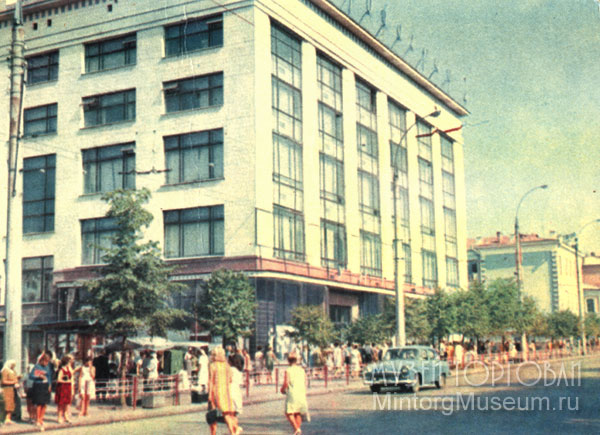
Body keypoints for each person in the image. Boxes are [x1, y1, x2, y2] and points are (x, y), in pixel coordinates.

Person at [207, 347, 239, 435]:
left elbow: (211, 381)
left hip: (216, 392)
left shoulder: (213, 365)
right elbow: (230, 379)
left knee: (213, 414)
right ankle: (234, 430)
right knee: (227, 413)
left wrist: (209, 395)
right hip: (227, 392)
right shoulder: (227, 365)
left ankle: (215, 433)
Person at [280, 351, 309, 435]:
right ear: (296, 361)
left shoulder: (288, 370)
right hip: (301, 392)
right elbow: (305, 382)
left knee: (288, 412)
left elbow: (286, 383)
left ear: (288, 361)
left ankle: (296, 428)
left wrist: (282, 390)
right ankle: (297, 431)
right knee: (297, 412)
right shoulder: (302, 370)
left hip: (292, 393)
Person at [30, 353, 53, 431]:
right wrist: (39, 376)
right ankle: (37, 419)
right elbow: (31, 376)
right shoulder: (36, 366)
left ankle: (41, 419)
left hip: (45, 386)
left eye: (47, 362)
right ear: (42, 360)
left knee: (44, 403)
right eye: (45, 361)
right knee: (39, 403)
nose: (46, 363)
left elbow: (49, 377)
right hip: (38, 386)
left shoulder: (47, 367)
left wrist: (49, 385)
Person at [54, 354, 74, 424]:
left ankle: (66, 416)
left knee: (67, 403)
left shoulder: (69, 369)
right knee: (61, 404)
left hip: (68, 388)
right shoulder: (62, 370)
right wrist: (66, 381)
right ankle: (59, 417)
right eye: (70, 362)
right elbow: (58, 380)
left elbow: (72, 376)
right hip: (62, 388)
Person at [1, 360, 21, 425]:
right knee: (7, 404)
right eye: (12, 365)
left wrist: (17, 378)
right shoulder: (5, 370)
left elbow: (15, 379)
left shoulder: (13, 371)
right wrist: (13, 382)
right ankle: (6, 419)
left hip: (13, 390)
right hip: (7, 389)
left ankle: (9, 418)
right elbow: (3, 381)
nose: (13, 366)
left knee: (12, 404)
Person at [228, 354, 244, 433]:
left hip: (230, 391)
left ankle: (234, 430)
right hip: (237, 392)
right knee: (233, 414)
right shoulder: (239, 371)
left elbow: (229, 379)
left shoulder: (231, 370)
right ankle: (235, 429)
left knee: (229, 414)